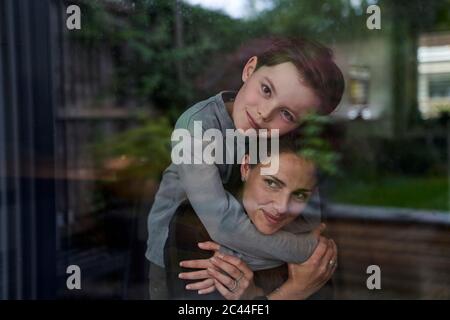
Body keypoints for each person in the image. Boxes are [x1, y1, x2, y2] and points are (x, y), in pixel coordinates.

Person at [146, 37, 344, 299]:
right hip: (183, 257)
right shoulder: (196, 127)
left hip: (239, 258)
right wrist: (307, 250)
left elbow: (306, 219)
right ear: (250, 69)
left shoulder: (283, 142)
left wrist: (235, 257)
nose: (264, 113)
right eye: (266, 90)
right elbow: (224, 224)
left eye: (287, 114)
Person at [164, 136, 337, 300]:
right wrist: (294, 292)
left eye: (299, 195)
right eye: (272, 183)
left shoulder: (307, 234)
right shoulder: (198, 221)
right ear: (246, 167)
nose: (282, 207)